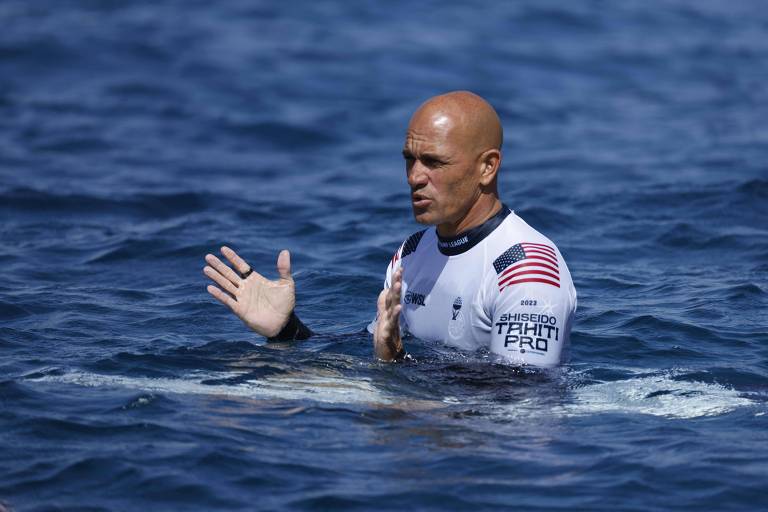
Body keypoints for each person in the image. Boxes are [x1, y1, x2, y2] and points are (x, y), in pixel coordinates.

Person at [203, 91, 577, 368]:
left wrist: (398, 363)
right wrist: (287, 331)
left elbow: (522, 400)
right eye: (409, 160)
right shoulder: (412, 253)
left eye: (433, 162)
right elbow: (372, 346)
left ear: (487, 167)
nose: (415, 177)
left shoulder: (528, 270)